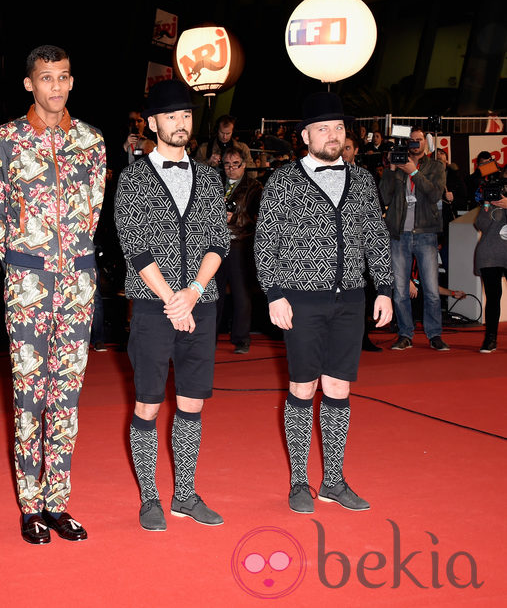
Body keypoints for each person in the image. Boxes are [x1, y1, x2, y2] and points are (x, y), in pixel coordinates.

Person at [0, 45, 106, 544]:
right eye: (46, 78)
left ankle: (58, 502)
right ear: (29, 84)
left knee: (67, 398)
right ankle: (29, 505)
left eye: (63, 77)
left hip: (78, 282)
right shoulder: (5, 140)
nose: (55, 86)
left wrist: (71, 263)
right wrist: (23, 268)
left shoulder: (91, 141)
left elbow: (92, 212)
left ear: (71, 82)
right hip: (28, 285)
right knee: (30, 396)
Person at [255, 92, 393, 514]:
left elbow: (375, 236)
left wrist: (384, 287)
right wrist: (274, 293)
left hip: (350, 299)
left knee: (338, 388)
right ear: (305, 136)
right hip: (300, 300)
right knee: (302, 388)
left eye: (338, 128)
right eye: (323, 129)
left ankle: (333, 480)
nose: (332, 135)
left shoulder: (363, 179)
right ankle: (300, 482)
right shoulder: (282, 181)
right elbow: (265, 242)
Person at [114, 79, 229, 531]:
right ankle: (150, 498)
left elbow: (218, 240)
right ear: (154, 123)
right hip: (150, 306)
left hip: (201, 303)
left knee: (192, 404)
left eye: (186, 116)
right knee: (147, 404)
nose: (180, 124)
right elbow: (135, 248)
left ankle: (185, 494)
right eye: (171, 117)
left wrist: (195, 291)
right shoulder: (134, 178)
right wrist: (171, 300)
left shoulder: (208, 175)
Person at [378, 128, 449, 351]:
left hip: (426, 233)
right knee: (399, 291)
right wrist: (391, 169)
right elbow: (384, 196)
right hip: (399, 234)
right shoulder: (397, 167)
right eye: (412, 141)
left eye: (419, 141)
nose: (415, 144)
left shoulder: (435, 166)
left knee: (431, 290)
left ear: (426, 144)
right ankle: (405, 334)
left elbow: (435, 194)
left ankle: (434, 334)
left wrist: (414, 172)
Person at [215, 146, 262, 353]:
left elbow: (259, 221)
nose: (231, 168)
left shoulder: (254, 187)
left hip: (240, 244)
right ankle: (210, 335)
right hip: (216, 245)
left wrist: (235, 218)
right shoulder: (215, 184)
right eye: (227, 164)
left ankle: (242, 338)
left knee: (242, 293)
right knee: (213, 293)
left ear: (244, 165)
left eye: (236, 164)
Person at [474, 177, 507, 353]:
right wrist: (487, 204)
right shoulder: (489, 204)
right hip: (490, 254)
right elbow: (481, 225)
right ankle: (490, 339)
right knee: (493, 297)